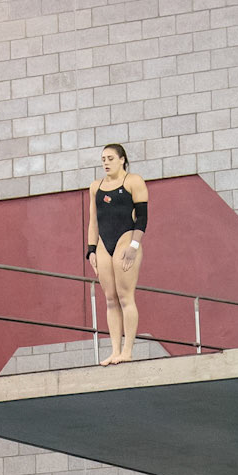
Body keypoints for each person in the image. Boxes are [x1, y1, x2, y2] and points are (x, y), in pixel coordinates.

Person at [87, 143, 149, 365]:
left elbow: (142, 217)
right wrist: (91, 250)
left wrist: (133, 246)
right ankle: (115, 350)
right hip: (105, 243)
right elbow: (93, 222)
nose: (106, 163)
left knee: (125, 296)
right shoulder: (95, 187)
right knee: (110, 299)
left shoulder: (134, 181)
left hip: (126, 239)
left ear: (122, 159)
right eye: (103, 159)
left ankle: (128, 350)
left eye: (110, 158)